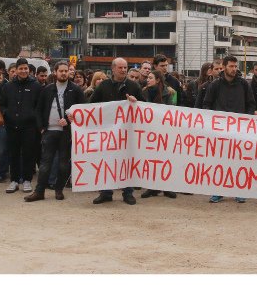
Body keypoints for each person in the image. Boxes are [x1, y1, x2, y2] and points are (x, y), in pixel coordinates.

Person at [26, 61, 85, 202]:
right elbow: (38, 110)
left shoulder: (76, 90)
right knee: (45, 163)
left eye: (66, 71)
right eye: (61, 71)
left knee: (64, 164)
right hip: (49, 131)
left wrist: (71, 120)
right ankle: (39, 191)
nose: (64, 73)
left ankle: (59, 190)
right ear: (55, 72)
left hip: (66, 133)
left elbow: (83, 110)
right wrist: (41, 128)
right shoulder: (47, 89)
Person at [90, 58, 144, 205]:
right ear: (113, 69)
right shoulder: (103, 86)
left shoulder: (134, 86)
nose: (123, 70)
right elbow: (91, 106)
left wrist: (136, 103)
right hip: (107, 132)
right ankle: (106, 192)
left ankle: (128, 193)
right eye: (120, 67)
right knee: (107, 161)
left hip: (127, 133)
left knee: (127, 162)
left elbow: (145, 107)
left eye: (125, 67)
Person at [203, 55, 256, 204]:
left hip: (240, 130)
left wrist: (247, 119)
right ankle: (218, 191)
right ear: (224, 66)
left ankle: (238, 191)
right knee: (220, 161)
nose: (234, 69)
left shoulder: (244, 85)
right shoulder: (215, 85)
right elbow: (206, 104)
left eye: (235, 66)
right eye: (231, 66)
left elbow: (251, 104)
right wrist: (213, 121)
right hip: (219, 130)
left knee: (238, 162)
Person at [0, 58, 42, 194]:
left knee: (29, 154)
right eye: (20, 68)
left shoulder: (36, 86)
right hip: (12, 126)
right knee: (14, 154)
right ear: (16, 70)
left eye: (25, 68)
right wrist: (7, 114)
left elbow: (39, 106)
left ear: (29, 70)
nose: (23, 71)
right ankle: (14, 180)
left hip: (29, 127)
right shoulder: (8, 86)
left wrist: (33, 117)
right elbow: (2, 104)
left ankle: (27, 180)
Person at [140, 70, 178, 200]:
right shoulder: (143, 92)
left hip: (164, 131)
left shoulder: (169, 93)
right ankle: (152, 187)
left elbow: (171, 112)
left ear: (157, 80)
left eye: (150, 78)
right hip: (148, 131)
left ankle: (167, 187)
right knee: (151, 159)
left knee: (165, 159)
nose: (147, 80)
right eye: (147, 78)